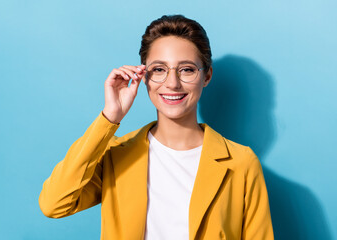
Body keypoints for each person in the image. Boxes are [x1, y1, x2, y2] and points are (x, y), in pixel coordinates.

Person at [39, 14, 274, 240]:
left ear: (207, 76)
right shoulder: (115, 155)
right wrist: (110, 117)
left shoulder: (241, 163)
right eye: (159, 69)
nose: (172, 83)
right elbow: (54, 204)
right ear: (143, 76)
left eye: (187, 69)